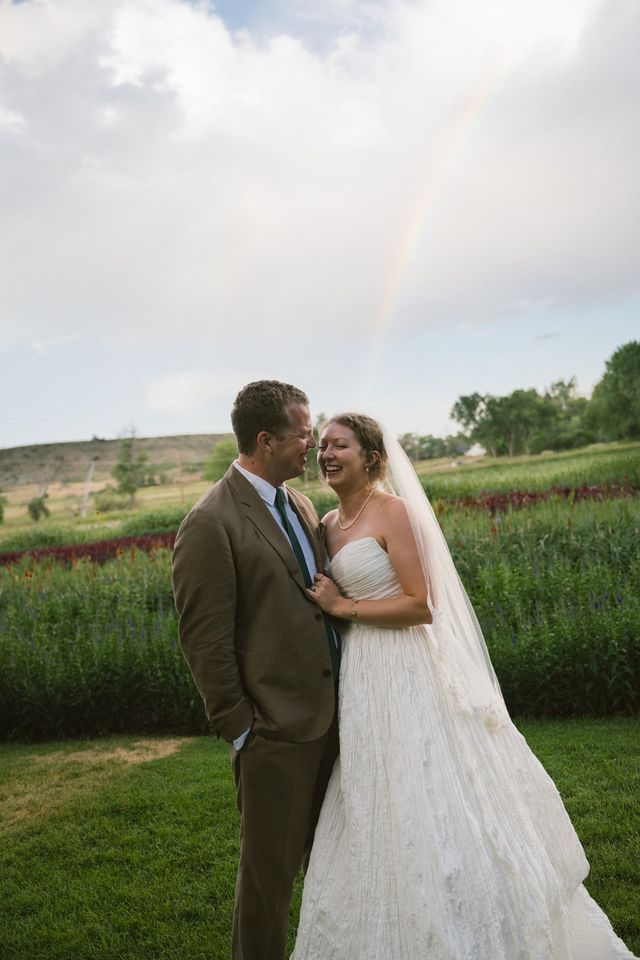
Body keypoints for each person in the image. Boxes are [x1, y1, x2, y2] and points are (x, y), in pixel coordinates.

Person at [292, 412, 637, 960]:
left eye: (340, 446)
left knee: (425, 782)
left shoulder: (394, 511)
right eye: (322, 448)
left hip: (408, 667)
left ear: (373, 457)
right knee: (375, 788)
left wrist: (344, 605)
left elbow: (420, 604)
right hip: (363, 677)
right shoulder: (329, 522)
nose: (327, 456)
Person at [172, 380, 339, 960]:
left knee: (336, 867)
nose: (313, 446)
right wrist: (243, 728)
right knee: (268, 885)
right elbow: (205, 639)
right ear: (266, 441)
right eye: (303, 435)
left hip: (335, 720)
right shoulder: (209, 522)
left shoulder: (299, 502)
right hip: (274, 734)